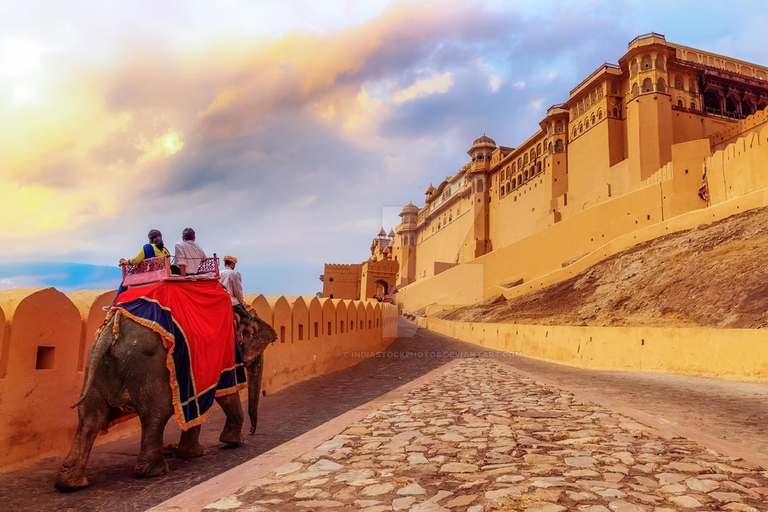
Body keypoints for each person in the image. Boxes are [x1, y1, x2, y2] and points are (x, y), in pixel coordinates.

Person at [105, 229, 171, 310]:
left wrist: (125, 262)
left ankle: (113, 304)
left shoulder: (148, 247)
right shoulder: (165, 250)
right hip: (164, 274)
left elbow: (135, 261)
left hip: (151, 276)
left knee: (124, 282)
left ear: (150, 239)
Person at [220, 255, 251, 337]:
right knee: (247, 316)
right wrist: (241, 302)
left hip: (220, 300)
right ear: (233, 264)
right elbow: (238, 290)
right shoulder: (234, 274)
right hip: (231, 301)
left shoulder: (219, 273)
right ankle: (238, 333)